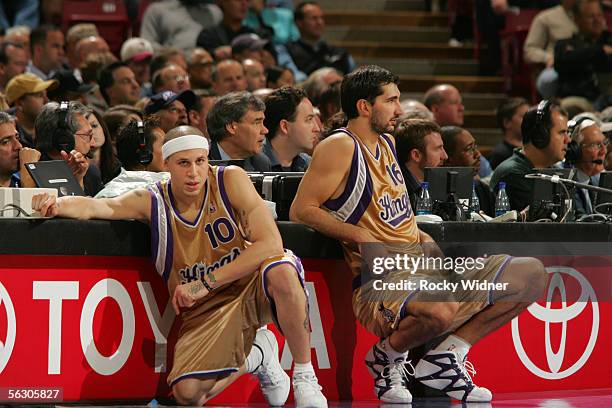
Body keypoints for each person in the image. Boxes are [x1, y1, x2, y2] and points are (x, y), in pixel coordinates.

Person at [290, 65, 547, 404]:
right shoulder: (340, 146)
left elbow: (389, 207)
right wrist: (361, 237)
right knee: (440, 308)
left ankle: (446, 357)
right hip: (380, 282)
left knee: (531, 274)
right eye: (391, 100)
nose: (399, 109)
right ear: (365, 106)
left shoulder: (388, 142)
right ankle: (386, 357)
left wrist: (418, 233)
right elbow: (302, 209)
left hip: (423, 268)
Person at [32, 134, 327, 408]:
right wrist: (56, 203)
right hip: (208, 307)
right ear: (167, 165)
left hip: (248, 284)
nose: (194, 172)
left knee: (282, 268)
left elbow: (272, 243)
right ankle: (259, 354)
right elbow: (99, 208)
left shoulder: (230, 179)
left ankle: (304, 374)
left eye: (200, 161)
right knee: (188, 394)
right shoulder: (152, 199)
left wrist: (205, 283)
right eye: (184, 163)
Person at [490, 100, 570, 212]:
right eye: (562, 133)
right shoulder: (513, 174)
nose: (568, 139)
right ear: (540, 135)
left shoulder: (552, 172)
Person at [207, 91, 272, 171]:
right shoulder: (202, 161)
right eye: (256, 122)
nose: (265, 130)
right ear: (231, 127)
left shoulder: (260, 163)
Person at [441, 125, 496, 216]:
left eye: (475, 147)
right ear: (448, 158)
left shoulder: (483, 190)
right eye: (469, 149)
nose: (478, 154)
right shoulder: (434, 193)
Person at [395, 119, 448, 210]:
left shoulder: (437, 183)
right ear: (416, 155)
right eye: (437, 149)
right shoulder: (396, 191)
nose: (445, 156)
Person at [263, 87, 319, 172]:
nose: (317, 128)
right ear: (284, 126)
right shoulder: (252, 165)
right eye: (309, 119)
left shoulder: (308, 164)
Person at [489, 97, 529, 170]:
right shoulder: (500, 155)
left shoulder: (532, 150)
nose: (530, 120)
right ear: (507, 123)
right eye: (524, 116)